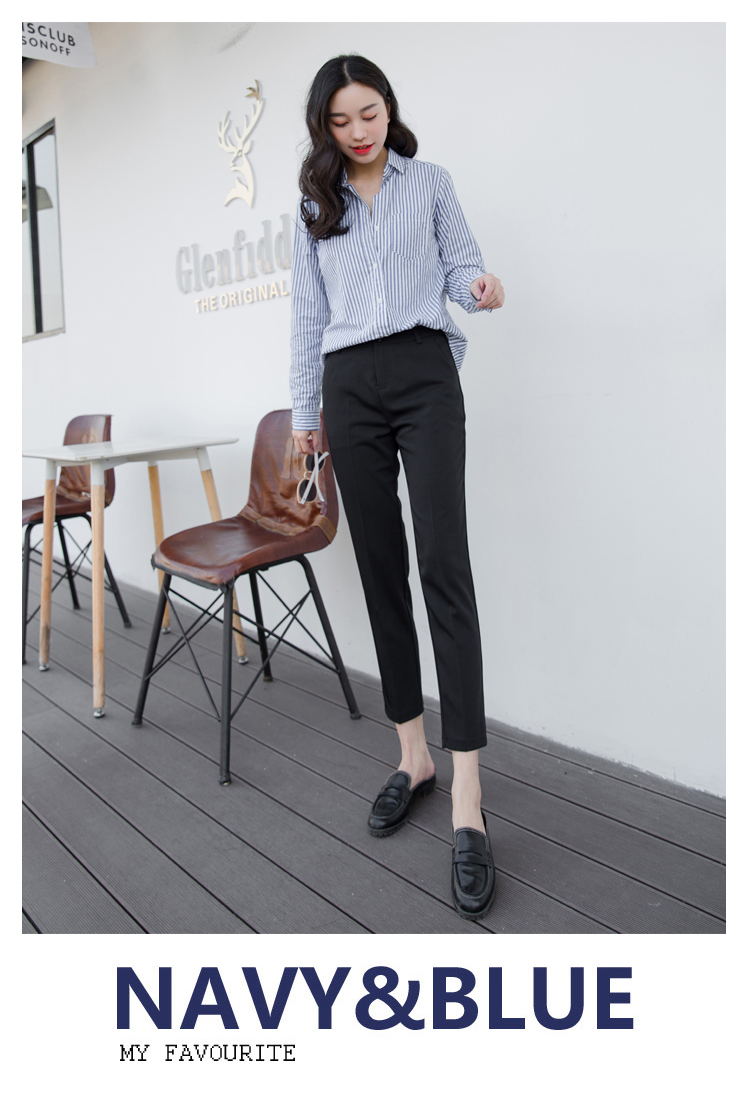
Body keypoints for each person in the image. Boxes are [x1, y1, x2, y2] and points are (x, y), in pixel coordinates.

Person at [289, 54, 504, 920]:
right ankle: (412, 756)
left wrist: (480, 290)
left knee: (444, 567)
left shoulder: (431, 183)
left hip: (423, 374)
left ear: (389, 107)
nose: (359, 131)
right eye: (340, 120)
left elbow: (461, 269)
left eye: (369, 113)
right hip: (348, 386)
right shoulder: (315, 204)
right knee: (382, 572)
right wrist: (304, 413)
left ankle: (466, 793)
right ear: (325, 127)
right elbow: (307, 314)